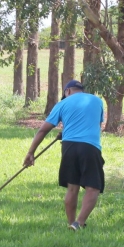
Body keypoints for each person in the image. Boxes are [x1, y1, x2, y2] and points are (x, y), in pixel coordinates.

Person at [23, 79, 105, 230]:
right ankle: (79, 223)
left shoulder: (62, 104)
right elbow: (95, 125)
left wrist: (31, 152)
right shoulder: (97, 101)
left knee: (72, 187)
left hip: (69, 147)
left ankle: (71, 223)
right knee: (93, 187)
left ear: (67, 91)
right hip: (90, 147)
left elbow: (43, 130)